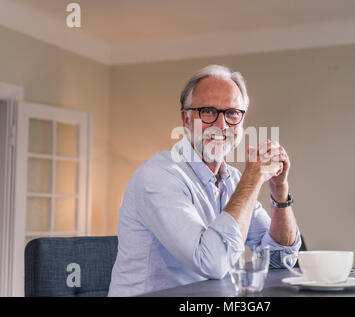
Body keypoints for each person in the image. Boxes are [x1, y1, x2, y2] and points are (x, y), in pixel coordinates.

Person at [108, 65, 302, 296]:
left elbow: (280, 259)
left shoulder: (233, 180)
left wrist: (279, 192)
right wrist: (251, 180)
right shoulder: (158, 176)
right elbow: (212, 263)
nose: (221, 126)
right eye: (208, 111)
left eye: (232, 113)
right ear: (186, 119)